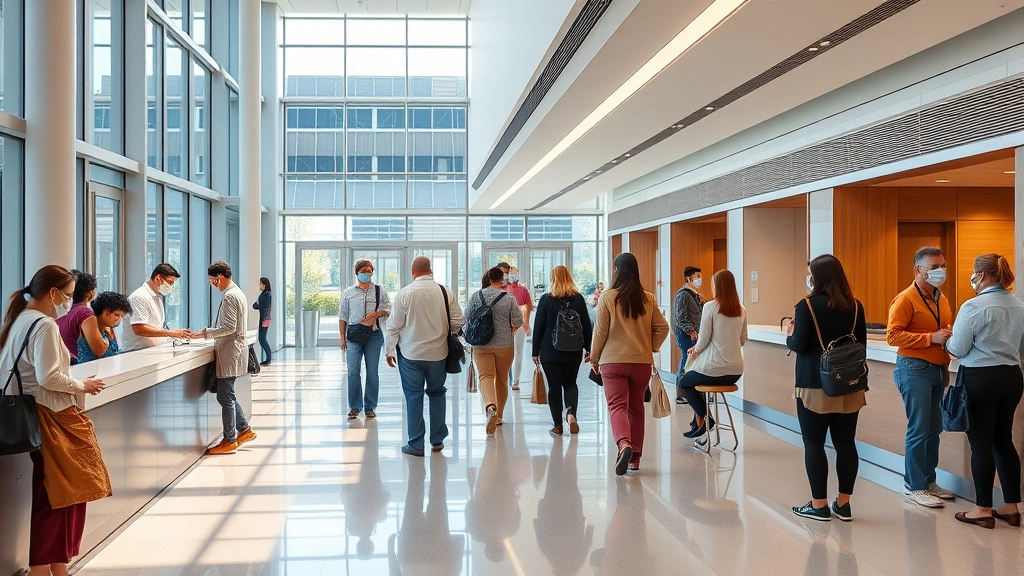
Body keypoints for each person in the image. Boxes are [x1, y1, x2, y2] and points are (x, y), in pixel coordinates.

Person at [0, 265, 109, 576]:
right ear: (52, 293)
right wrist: (81, 385)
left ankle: (56, 565)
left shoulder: (18, 320)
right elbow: (49, 377)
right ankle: (43, 568)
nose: (68, 301)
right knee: (60, 495)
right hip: (53, 415)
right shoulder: (44, 325)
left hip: (35, 414)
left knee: (57, 493)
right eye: (68, 295)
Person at [945, 254, 1024, 529]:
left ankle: (982, 509)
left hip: (980, 377)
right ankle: (1012, 507)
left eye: (974, 272)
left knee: (980, 442)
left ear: (982, 275)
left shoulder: (974, 306)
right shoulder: (1018, 304)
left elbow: (959, 348)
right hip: (1012, 376)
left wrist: (947, 340)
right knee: (1003, 439)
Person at [786, 255, 866, 522]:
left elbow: (798, 344)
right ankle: (843, 504)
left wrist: (790, 332)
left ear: (817, 277)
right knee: (845, 443)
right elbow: (861, 344)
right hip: (850, 385)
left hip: (814, 385)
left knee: (813, 442)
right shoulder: (855, 306)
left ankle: (819, 505)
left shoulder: (806, 305)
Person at [886, 246, 955, 508]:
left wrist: (947, 336)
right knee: (918, 428)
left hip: (939, 369)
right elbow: (892, 335)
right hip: (914, 368)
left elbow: (943, 327)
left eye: (942, 266)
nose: (940, 272)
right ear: (918, 270)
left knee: (934, 428)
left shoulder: (942, 298)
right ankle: (914, 485)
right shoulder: (905, 299)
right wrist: (930, 338)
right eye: (935, 267)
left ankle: (928, 480)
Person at [590, 253, 669, 475]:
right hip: (641, 362)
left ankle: (623, 443)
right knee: (636, 408)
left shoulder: (607, 298)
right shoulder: (648, 298)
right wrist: (651, 346)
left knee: (617, 406)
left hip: (612, 362)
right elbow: (662, 327)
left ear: (616, 270)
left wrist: (594, 359)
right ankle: (635, 458)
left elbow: (600, 332)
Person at [385, 256, 466, 457]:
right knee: (437, 393)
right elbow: (459, 320)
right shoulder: (444, 291)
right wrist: (445, 331)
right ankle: (437, 439)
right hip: (439, 354)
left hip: (410, 354)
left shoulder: (405, 293)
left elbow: (393, 326)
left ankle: (415, 444)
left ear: (413, 272)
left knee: (414, 396)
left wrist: (389, 350)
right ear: (430, 271)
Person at [678, 270, 747, 447]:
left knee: (684, 381)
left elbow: (704, 340)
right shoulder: (741, 309)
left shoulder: (711, 307)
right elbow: (742, 339)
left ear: (718, 286)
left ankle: (707, 419)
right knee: (692, 379)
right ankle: (701, 424)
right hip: (736, 371)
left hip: (715, 369)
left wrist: (694, 350)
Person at [195, 261, 255, 456]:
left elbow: (229, 327)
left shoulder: (230, 296)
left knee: (225, 396)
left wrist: (205, 333)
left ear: (219, 277)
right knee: (227, 395)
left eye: (212, 280)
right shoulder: (238, 293)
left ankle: (230, 439)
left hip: (230, 351)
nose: (213, 284)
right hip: (233, 350)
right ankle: (244, 429)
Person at [531, 265, 592, 436]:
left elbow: (539, 327)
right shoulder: (578, 299)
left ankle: (558, 426)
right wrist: (589, 347)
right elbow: (586, 325)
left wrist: (535, 351)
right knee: (570, 383)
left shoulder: (547, 299)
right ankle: (571, 414)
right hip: (573, 350)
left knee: (554, 386)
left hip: (550, 351)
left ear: (553, 279)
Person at [463, 267, 524, 435]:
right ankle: (498, 417)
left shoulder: (476, 296)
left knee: (486, 376)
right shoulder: (509, 298)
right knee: (502, 379)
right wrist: (512, 328)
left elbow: (466, 316)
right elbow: (519, 319)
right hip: (504, 345)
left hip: (481, 344)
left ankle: (490, 406)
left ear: (489, 279)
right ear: (501, 280)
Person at [340, 259, 391, 420]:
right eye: (364, 271)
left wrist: (377, 314)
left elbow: (389, 309)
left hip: (373, 335)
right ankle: (355, 406)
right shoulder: (348, 293)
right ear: (357, 273)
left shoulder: (378, 290)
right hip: (354, 336)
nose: (367, 273)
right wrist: (342, 337)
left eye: (370, 271)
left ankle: (370, 406)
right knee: (353, 371)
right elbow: (343, 316)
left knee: (372, 371)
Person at [120, 263, 190, 351]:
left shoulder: (157, 296)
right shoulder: (140, 297)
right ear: (158, 278)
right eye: (170, 283)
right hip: (136, 351)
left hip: (151, 349)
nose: (171, 287)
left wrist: (176, 333)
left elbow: (156, 327)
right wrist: (171, 333)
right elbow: (139, 328)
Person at [673, 266, 704, 404]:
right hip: (686, 334)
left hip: (694, 333)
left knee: (690, 360)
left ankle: (689, 391)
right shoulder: (683, 295)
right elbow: (680, 318)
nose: (699, 279)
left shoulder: (694, 294)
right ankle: (681, 393)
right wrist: (691, 331)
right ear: (689, 278)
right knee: (687, 360)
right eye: (697, 277)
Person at [54, 271, 100, 365]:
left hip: (62, 363)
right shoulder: (85, 313)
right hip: (78, 365)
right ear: (89, 292)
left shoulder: (60, 311)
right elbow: (99, 349)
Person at [76, 292, 133, 363]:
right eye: (117, 315)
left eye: (121, 316)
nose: (119, 319)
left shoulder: (108, 330)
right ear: (106, 312)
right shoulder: (88, 328)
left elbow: (115, 353)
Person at [506, 266, 534, 391]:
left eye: (515, 274)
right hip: (506, 324)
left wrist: (527, 323)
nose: (513, 276)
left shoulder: (523, 290)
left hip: (520, 324)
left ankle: (516, 379)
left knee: (518, 352)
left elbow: (529, 306)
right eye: (511, 274)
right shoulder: (504, 289)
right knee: (506, 352)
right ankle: (507, 378)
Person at [253, 277, 272, 366]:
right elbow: (256, 306)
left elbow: (261, 306)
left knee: (262, 340)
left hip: (265, 319)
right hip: (263, 318)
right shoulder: (264, 294)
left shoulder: (266, 294)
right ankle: (268, 359)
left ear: (264, 285)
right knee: (262, 339)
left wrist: (257, 304)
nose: (259, 285)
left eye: (260, 283)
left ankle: (268, 359)